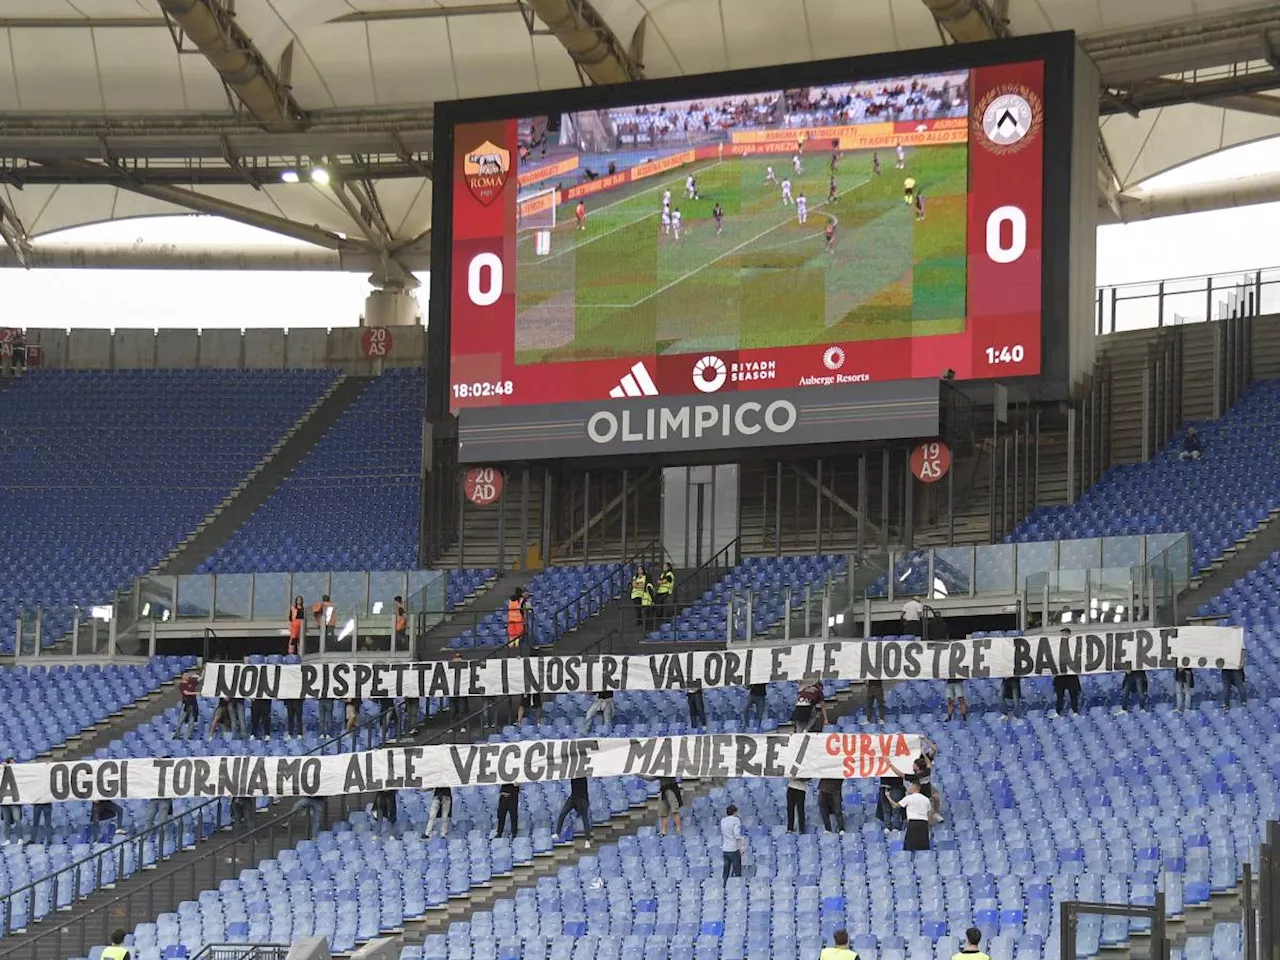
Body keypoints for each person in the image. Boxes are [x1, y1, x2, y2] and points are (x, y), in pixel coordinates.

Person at [884, 779, 931, 851]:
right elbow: (928, 813)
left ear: (914, 787)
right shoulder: (926, 799)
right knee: (923, 846)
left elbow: (895, 806)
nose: (909, 788)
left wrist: (888, 797)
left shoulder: (909, 798)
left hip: (913, 823)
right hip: (924, 824)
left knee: (909, 846)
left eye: (910, 786)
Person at [555, 777, 592, 847]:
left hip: (582, 799)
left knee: (585, 819)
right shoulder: (572, 774)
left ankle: (587, 840)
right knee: (562, 814)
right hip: (573, 798)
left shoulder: (583, 775)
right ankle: (557, 833)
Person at [1054, 628, 1083, 715]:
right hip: (1060, 674)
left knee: (1073, 694)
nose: (1063, 635)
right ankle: (1058, 711)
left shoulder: (1073, 644)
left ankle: (1075, 711)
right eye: (1062, 634)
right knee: (1060, 695)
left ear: (1069, 634)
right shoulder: (1057, 645)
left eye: (1065, 633)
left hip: (1071, 674)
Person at [721, 804, 744, 881]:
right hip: (734, 849)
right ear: (734, 812)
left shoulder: (723, 821)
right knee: (737, 870)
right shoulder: (735, 820)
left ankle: (724, 885)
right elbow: (737, 835)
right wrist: (741, 847)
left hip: (725, 849)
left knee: (726, 870)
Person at [174, 671, 200, 740]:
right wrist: (196, 693)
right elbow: (186, 693)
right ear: (182, 676)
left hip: (193, 705)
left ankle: (187, 737)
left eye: (188, 675)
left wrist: (204, 670)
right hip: (186, 705)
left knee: (191, 722)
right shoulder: (182, 685)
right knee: (181, 721)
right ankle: (176, 735)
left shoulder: (191, 682)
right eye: (186, 675)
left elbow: (200, 678)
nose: (187, 676)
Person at [1, 759, 20, 846]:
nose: (13, 764)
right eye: (11, 763)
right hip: (4, 801)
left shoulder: (19, 772)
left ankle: (20, 838)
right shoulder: (2, 772)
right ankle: (7, 839)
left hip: (14, 801)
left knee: (17, 820)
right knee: (6, 821)